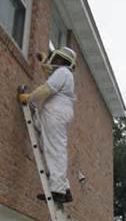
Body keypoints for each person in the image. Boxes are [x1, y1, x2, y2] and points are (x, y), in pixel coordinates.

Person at [19, 47, 77, 204]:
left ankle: (57, 191)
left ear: (63, 61)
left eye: (57, 59)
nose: (54, 61)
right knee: (56, 148)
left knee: (53, 150)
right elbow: (51, 75)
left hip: (55, 113)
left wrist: (29, 98)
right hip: (57, 113)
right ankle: (65, 189)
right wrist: (44, 61)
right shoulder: (65, 74)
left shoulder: (63, 72)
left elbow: (47, 88)